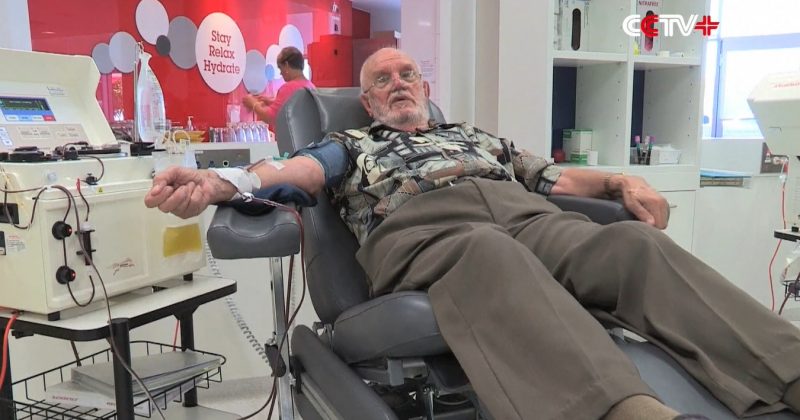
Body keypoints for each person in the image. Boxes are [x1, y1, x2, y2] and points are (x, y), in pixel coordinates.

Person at [145, 48, 800, 420]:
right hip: (430, 236)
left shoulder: (477, 139)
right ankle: (626, 413)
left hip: (528, 220)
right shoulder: (350, 143)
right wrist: (218, 185)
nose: (398, 85)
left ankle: (786, 373)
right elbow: (291, 172)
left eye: (408, 76)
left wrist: (619, 184)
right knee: (491, 253)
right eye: (382, 81)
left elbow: (553, 182)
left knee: (632, 245)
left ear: (426, 91)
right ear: (369, 102)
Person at [242, 46, 316, 125]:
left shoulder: (289, 88)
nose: (281, 73)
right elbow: (296, 109)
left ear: (286, 65)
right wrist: (272, 102)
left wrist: (253, 104)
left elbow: (270, 117)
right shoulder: (311, 86)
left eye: (280, 68)